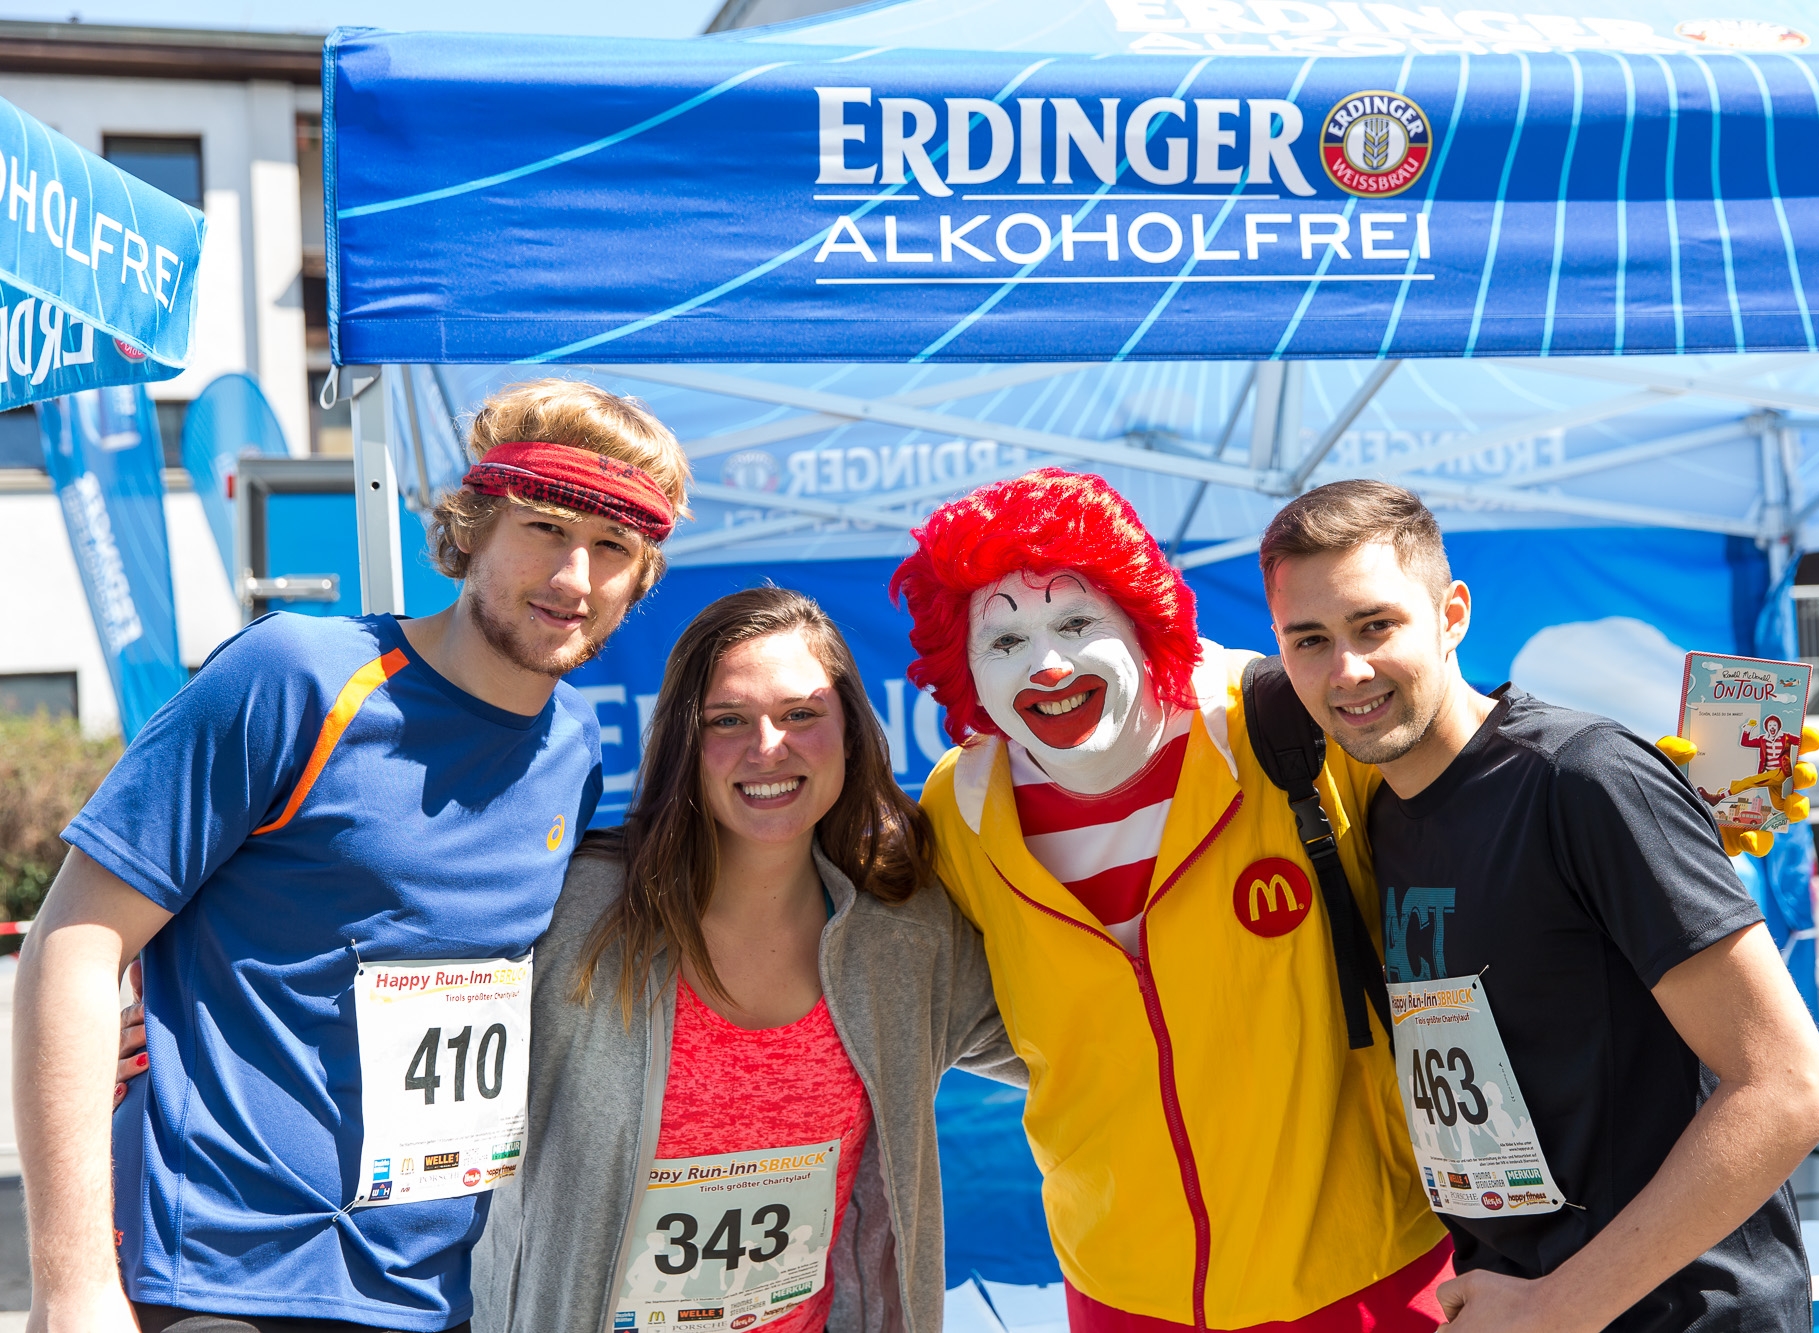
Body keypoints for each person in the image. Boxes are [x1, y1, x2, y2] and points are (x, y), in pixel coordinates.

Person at [17, 378, 690, 1333]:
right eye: (545, 526)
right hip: (220, 1270)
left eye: (612, 547)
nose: (575, 577)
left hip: (427, 1289)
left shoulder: (573, 752)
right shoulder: (296, 675)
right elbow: (73, 943)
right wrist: (73, 1288)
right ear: (477, 522)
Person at [1261, 480, 1819, 1333]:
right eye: (1308, 640)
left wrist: (1562, 1304)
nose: (1346, 669)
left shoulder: (1584, 777)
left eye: (1376, 625)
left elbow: (1790, 1087)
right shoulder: (1376, 821)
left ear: (1452, 614)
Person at [892, 470, 1449, 1333]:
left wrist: (1672, 802)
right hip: (1124, 1291)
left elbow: (1488, 806)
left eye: (1076, 622)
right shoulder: (958, 813)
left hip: (1369, 1271)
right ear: (962, 666)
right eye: (1001, 642)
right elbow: (977, 1010)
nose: (1045, 663)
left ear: (1142, 622)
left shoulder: (1281, 725)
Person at [471, 586, 1020, 1333]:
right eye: (728, 720)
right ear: (683, 745)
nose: (769, 747)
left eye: (801, 713)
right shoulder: (576, 912)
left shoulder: (904, 936)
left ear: (850, 734)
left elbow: (1067, 1039)